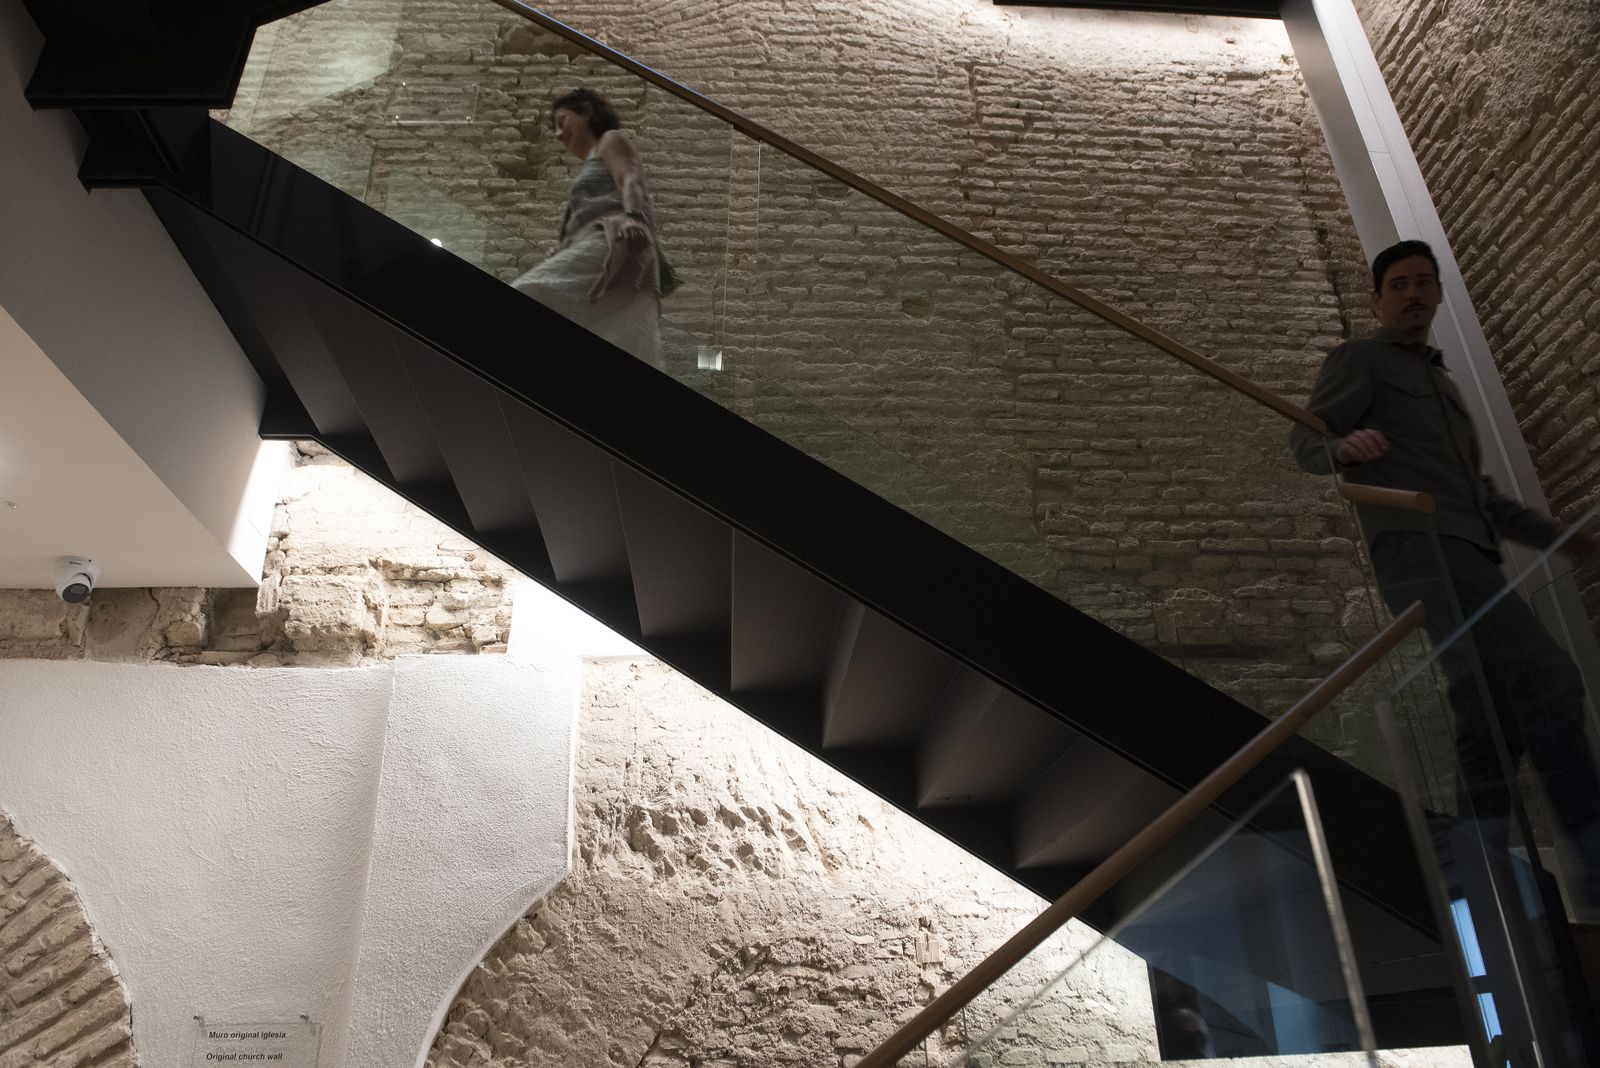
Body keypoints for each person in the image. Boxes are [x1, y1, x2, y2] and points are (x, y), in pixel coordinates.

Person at [1290, 239, 1600, 900]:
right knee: (1548, 677)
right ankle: (1596, 857)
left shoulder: (1443, 385)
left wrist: (1562, 539)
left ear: (1437, 293)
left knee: (1488, 715)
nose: (1411, 294)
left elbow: (1482, 495)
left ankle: (1475, 877)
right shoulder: (1361, 359)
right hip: (1419, 550)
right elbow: (1305, 440)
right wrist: (1342, 446)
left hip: (1468, 552)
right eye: (1397, 284)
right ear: (1377, 298)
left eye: (1422, 283)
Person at [511, 88, 665, 370]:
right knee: (622, 339)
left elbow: (630, 177)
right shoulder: (591, 162)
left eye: (562, 121)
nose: (558, 134)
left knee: (530, 292)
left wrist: (634, 217)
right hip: (604, 243)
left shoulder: (610, 140)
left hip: (615, 239)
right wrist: (563, 247)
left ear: (587, 110)